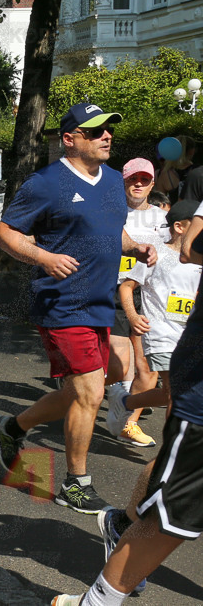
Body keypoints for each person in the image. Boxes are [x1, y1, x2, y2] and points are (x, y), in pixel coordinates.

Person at [0, 102, 156, 514]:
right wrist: (43, 257)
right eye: (95, 130)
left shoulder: (113, 180)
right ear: (69, 138)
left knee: (85, 387)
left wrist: (135, 247)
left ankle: (12, 426)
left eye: (108, 129)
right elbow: (4, 234)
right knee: (91, 391)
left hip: (100, 301)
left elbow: (111, 229)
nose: (106, 136)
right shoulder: (46, 183)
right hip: (62, 303)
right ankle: (75, 483)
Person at [51, 201, 203, 604]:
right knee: (171, 517)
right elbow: (189, 250)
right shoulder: (164, 251)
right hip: (176, 351)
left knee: (173, 507)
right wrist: (135, 325)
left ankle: (125, 520)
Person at [109, 200, 201, 443]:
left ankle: (125, 401)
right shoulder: (156, 254)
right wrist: (132, 316)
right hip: (160, 332)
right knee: (176, 393)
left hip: (188, 334)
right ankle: (172, 448)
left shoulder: (199, 260)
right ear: (180, 227)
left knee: (171, 392)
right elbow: (127, 287)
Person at [104, 158, 170, 447]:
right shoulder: (111, 212)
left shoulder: (162, 218)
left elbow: (171, 255)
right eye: (133, 179)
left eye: (144, 179)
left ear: (153, 184)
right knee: (120, 368)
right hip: (112, 291)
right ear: (124, 182)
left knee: (148, 370)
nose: (139, 184)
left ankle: (128, 423)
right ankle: (79, 389)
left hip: (149, 296)